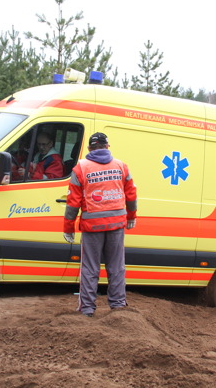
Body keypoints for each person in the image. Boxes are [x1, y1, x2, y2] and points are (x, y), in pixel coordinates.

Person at [63, 132, 137, 317]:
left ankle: (87, 309)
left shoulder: (80, 168)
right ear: (107, 146)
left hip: (92, 226)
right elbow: (131, 195)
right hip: (116, 225)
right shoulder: (121, 166)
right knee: (116, 267)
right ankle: (118, 305)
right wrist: (131, 217)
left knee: (90, 268)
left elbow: (73, 202)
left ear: (89, 149)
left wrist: (68, 227)